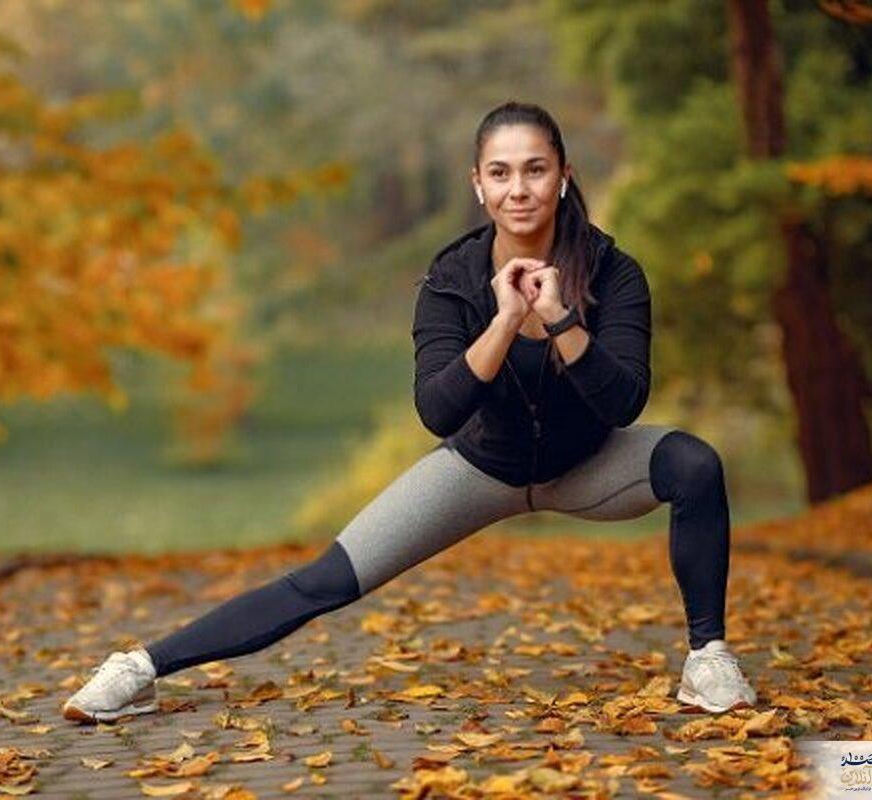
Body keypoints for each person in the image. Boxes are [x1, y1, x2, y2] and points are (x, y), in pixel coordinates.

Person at [61, 101, 757, 724]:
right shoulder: (452, 280)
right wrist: (507, 319)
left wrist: (562, 319)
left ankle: (709, 658)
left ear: (564, 176)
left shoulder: (612, 271)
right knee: (325, 580)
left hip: (590, 465)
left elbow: (625, 400)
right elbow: (437, 409)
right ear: (477, 185)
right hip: (480, 467)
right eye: (502, 172)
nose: (520, 189)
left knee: (694, 464)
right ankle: (140, 668)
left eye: (536, 170)